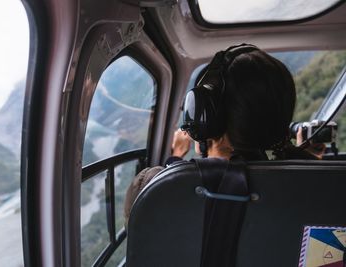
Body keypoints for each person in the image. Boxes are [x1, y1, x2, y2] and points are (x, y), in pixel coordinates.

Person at [124, 43, 320, 227]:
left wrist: (175, 159)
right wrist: (308, 164)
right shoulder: (318, 190)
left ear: (205, 120)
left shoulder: (152, 191)